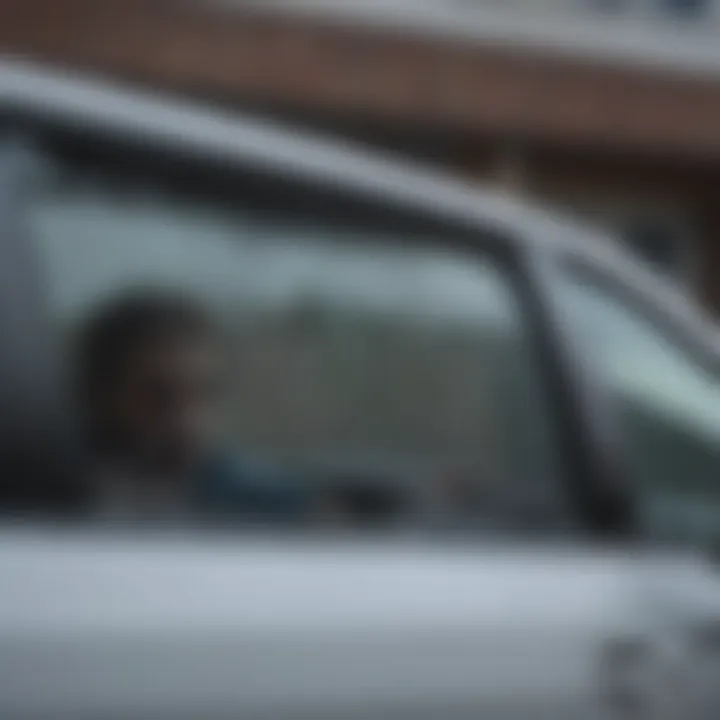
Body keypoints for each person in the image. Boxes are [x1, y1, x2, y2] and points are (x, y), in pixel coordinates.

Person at [74, 289, 309, 525]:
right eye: (157, 397)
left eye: (205, 394)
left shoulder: (248, 497)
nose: (186, 422)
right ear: (101, 396)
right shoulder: (64, 502)